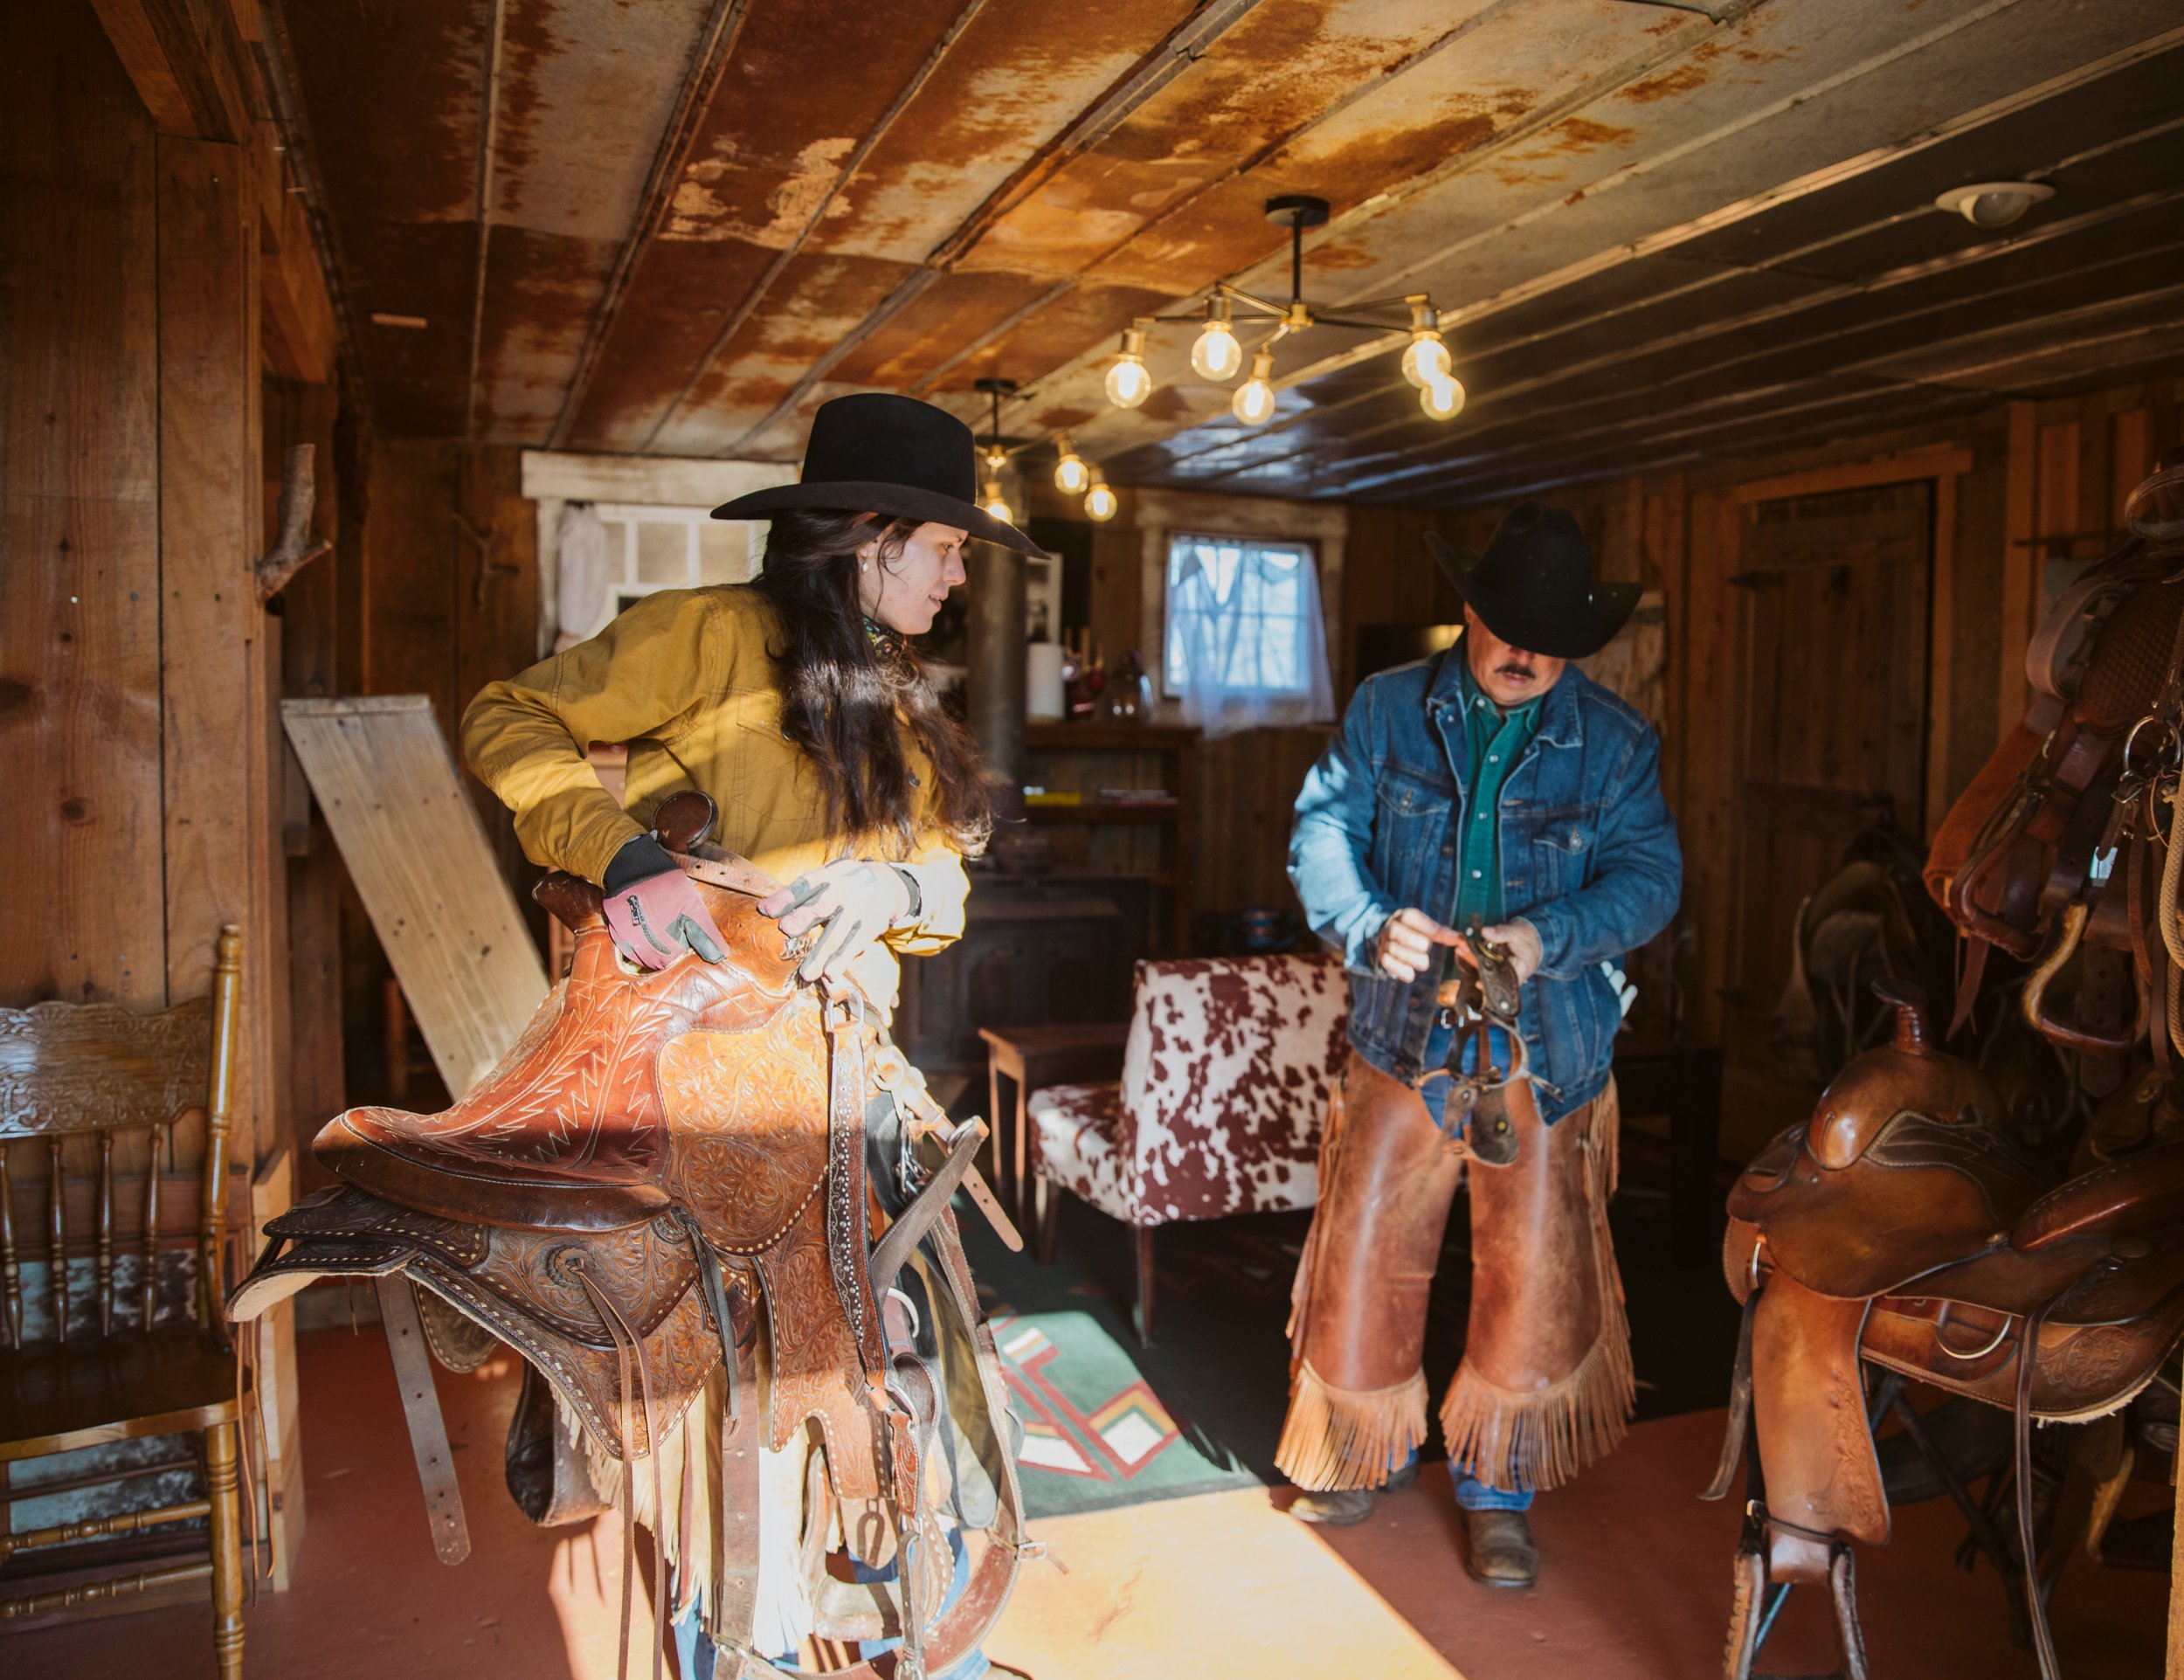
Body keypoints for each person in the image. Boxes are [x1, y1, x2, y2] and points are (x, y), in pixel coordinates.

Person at [461, 391, 1042, 1677]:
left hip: (849, 1069)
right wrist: (618, 851)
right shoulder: (712, 633)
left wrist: (894, 889)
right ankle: (742, 1626)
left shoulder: (893, 688)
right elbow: (507, 715)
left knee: (895, 1335)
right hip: (719, 1069)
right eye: (944, 544)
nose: (958, 572)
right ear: (871, 537)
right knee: (742, 1380)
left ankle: (862, 1550)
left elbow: (944, 875)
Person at [1277, 502, 1682, 1588]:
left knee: (1530, 1274)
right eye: (1508, 627)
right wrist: (1367, 921)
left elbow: (1650, 882)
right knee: (1367, 1251)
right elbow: (1323, 828)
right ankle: (1359, 1454)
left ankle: (1497, 1488)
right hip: (1400, 1036)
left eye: (1552, 639)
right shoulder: (1385, 710)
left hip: (1546, 1044)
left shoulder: (1619, 743)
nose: (1526, 653)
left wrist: (1548, 934)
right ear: (1468, 610)